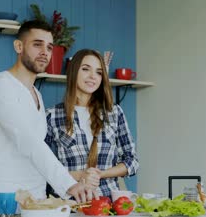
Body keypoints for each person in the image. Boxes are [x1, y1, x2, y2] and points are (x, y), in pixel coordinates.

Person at [0, 21, 98, 217]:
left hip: (35, 200)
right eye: (37, 44)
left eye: (49, 47)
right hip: (2, 198)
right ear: (19, 46)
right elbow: (29, 142)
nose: (45, 52)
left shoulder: (36, 95)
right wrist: (69, 184)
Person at [45, 49, 139, 198]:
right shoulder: (52, 116)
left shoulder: (114, 113)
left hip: (107, 204)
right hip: (68, 205)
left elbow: (132, 162)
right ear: (73, 71)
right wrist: (81, 175)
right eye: (85, 69)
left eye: (98, 72)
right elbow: (43, 168)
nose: (92, 77)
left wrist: (101, 174)